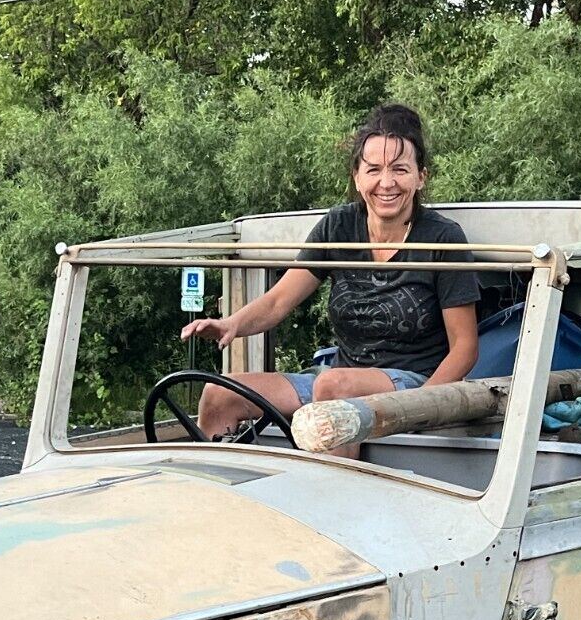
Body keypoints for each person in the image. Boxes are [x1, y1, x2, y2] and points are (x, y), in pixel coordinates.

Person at [181, 103, 480, 448]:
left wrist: (422, 405)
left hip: (413, 383)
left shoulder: (443, 237)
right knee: (219, 393)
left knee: (334, 389)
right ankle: (227, 497)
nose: (386, 183)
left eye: (400, 169)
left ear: (420, 176)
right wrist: (231, 324)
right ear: (357, 176)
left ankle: (329, 498)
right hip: (336, 380)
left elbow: (465, 348)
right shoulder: (338, 225)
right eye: (374, 170)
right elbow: (279, 300)